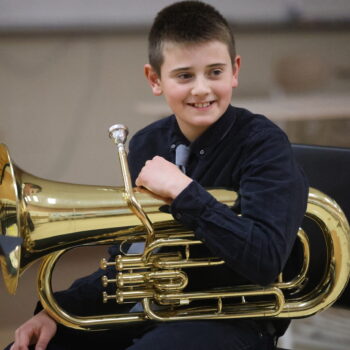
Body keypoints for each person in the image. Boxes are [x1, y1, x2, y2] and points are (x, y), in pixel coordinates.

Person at [6, 1, 308, 350]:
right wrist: (57, 312)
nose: (201, 89)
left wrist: (185, 193)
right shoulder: (148, 144)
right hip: (158, 311)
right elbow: (133, 260)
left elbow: (265, 259)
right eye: (184, 75)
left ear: (234, 71)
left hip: (232, 320)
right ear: (155, 79)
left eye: (215, 72)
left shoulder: (263, 144)